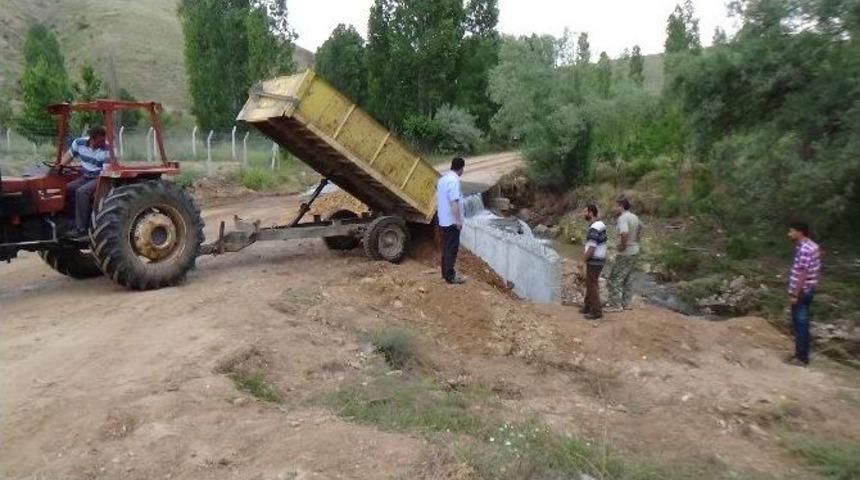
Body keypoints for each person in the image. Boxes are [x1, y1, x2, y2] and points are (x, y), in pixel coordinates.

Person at [61, 126, 110, 239]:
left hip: (100, 177)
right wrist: (60, 167)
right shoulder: (79, 143)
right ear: (92, 139)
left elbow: (106, 172)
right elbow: (69, 155)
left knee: (81, 192)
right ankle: (70, 221)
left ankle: (81, 229)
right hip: (85, 176)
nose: (103, 142)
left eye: (103, 140)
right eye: (100, 140)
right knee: (66, 188)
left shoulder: (108, 149)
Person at [786, 221, 821, 366]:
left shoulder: (805, 249)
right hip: (808, 289)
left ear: (800, 232)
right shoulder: (812, 246)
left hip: (802, 291)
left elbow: (803, 273)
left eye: (791, 231)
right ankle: (800, 354)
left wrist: (795, 293)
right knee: (802, 323)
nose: (789, 234)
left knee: (800, 323)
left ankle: (801, 358)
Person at [606, 198, 642, 312]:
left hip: (625, 252)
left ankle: (615, 305)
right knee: (628, 277)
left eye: (617, 206)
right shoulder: (634, 217)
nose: (616, 208)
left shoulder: (622, 218)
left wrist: (623, 245)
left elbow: (624, 232)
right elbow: (640, 228)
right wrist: (636, 239)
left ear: (621, 206)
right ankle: (627, 303)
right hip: (635, 250)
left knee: (614, 278)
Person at [436, 157, 466, 284]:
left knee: (446, 247)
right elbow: (454, 202)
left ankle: (445, 273)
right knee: (452, 248)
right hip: (451, 221)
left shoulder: (442, 179)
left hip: (443, 219)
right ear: (461, 168)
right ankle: (450, 276)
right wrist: (458, 221)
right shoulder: (454, 181)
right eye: (463, 168)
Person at [581, 204, 607, 320]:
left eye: (585, 212)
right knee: (590, 283)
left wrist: (582, 261)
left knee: (592, 284)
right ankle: (587, 306)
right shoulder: (600, 224)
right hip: (600, 259)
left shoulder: (594, 228)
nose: (583, 214)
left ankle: (596, 311)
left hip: (595, 260)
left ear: (591, 213)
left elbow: (591, 248)